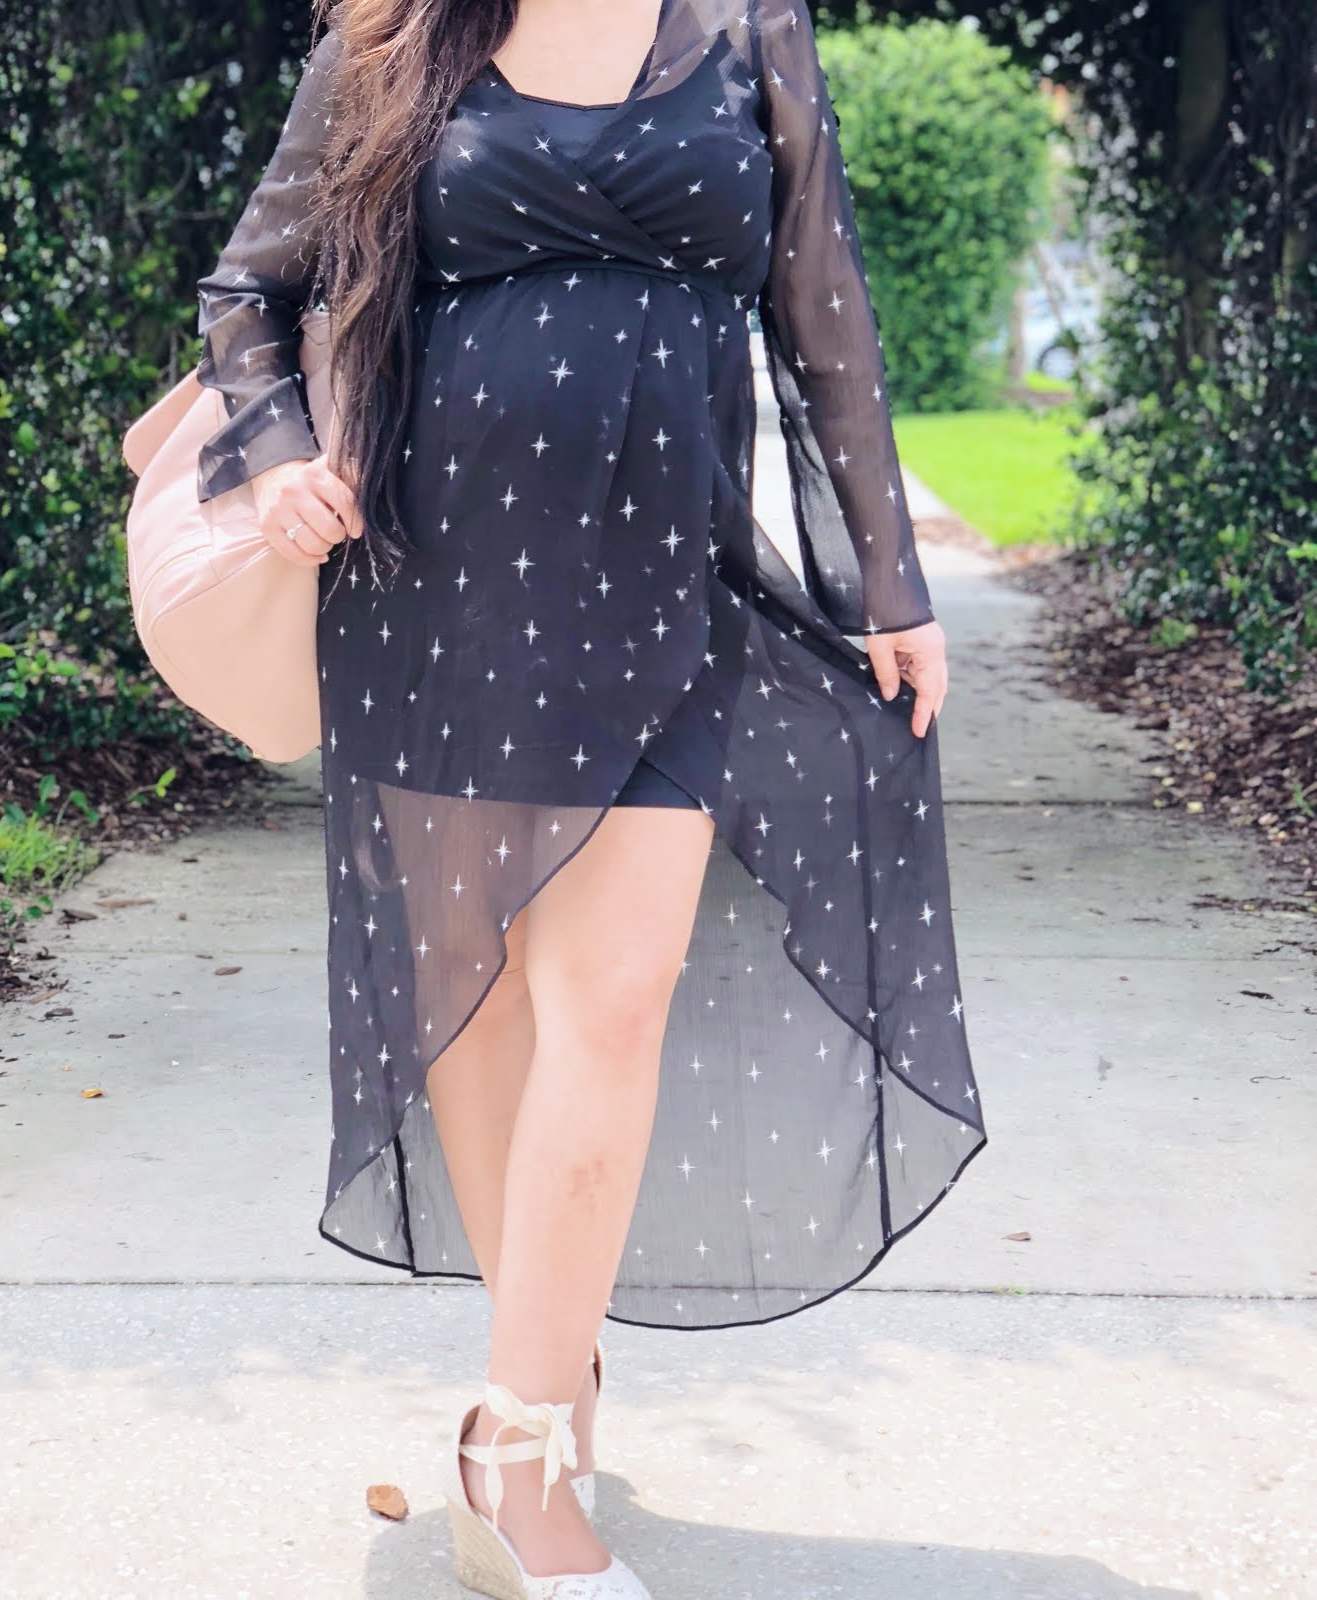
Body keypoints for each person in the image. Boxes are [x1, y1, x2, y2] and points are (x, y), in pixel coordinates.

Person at [194, 0, 988, 1593]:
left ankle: (511, 1450)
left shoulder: (748, 31)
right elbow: (249, 291)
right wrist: (279, 456)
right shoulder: (397, 37)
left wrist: (886, 578)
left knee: (614, 1002)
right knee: (481, 998)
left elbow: (820, 309)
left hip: (667, 592)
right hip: (434, 591)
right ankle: (544, 1367)